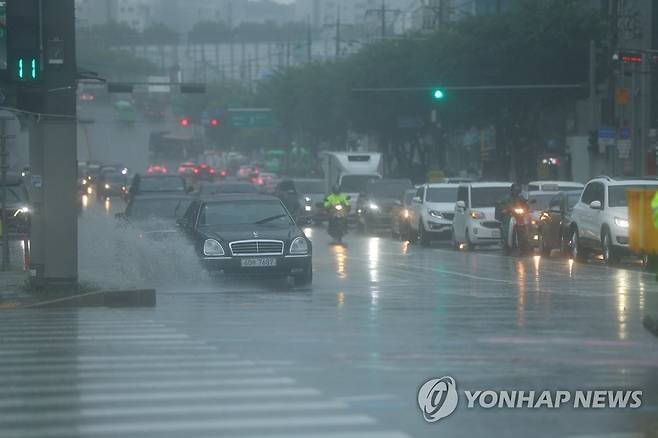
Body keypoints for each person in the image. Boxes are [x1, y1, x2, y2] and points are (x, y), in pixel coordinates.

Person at [496, 183, 526, 248]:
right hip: (509, 215)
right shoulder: (507, 198)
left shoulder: (521, 198)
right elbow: (502, 204)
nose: (516, 192)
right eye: (515, 190)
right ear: (512, 190)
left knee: (527, 226)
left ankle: (525, 243)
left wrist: (526, 207)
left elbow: (525, 205)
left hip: (519, 216)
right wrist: (504, 209)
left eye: (517, 190)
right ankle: (505, 241)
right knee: (506, 228)